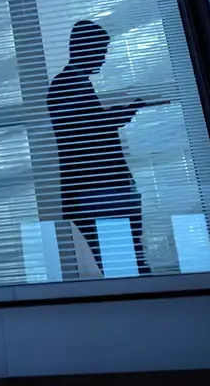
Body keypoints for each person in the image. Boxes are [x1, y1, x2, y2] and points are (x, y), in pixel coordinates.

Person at [43, 19, 158, 278]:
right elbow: (87, 131)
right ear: (84, 48)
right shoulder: (66, 86)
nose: (103, 59)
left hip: (99, 192)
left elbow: (87, 126)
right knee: (124, 265)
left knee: (125, 261)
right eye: (100, 51)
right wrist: (122, 113)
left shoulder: (74, 85)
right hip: (97, 192)